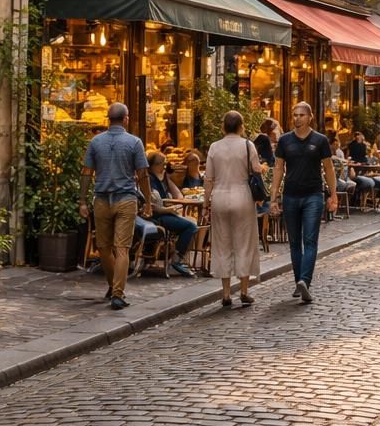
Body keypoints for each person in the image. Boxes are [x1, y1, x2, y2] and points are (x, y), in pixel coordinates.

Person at [79, 103, 152, 311]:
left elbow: (86, 173)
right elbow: (143, 174)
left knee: (103, 247)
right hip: (126, 199)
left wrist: (82, 200)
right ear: (126, 119)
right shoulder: (134, 142)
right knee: (122, 248)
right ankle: (117, 293)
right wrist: (147, 201)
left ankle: (113, 288)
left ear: (107, 119)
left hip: (101, 199)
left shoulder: (95, 142)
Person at [270, 101, 338, 304]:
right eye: (294, 115)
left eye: (301, 115)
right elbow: (278, 169)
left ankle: (304, 281)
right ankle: (298, 282)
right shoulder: (284, 141)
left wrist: (332, 194)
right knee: (293, 243)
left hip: (313, 196)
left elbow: (329, 168)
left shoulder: (320, 140)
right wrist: (273, 198)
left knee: (309, 240)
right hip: (290, 196)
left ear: (309, 117)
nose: (297, 118)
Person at [204, 111, 260, 308]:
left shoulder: (214, 147)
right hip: (242, 195)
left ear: (223, 126)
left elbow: (208, 178)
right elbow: (256, 170)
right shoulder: (247, 145)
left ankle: (226, 293)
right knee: (244, 243)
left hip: (219, 196)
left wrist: (205, 203)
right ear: (241, 126)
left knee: (222, 244)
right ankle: (244, 291)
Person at [145, 151, 198, 278]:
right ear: (154, 165)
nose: (164, 167)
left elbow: (178, 194)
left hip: (166, 212)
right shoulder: (150, 179)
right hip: (158, 216)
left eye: (164, 164)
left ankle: (179, 257)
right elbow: (152, 205)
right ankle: (176, 259)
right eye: (162, 164)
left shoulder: (161, 178)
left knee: (193, 222)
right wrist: (168, 210)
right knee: (190, 226)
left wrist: (167, 179)